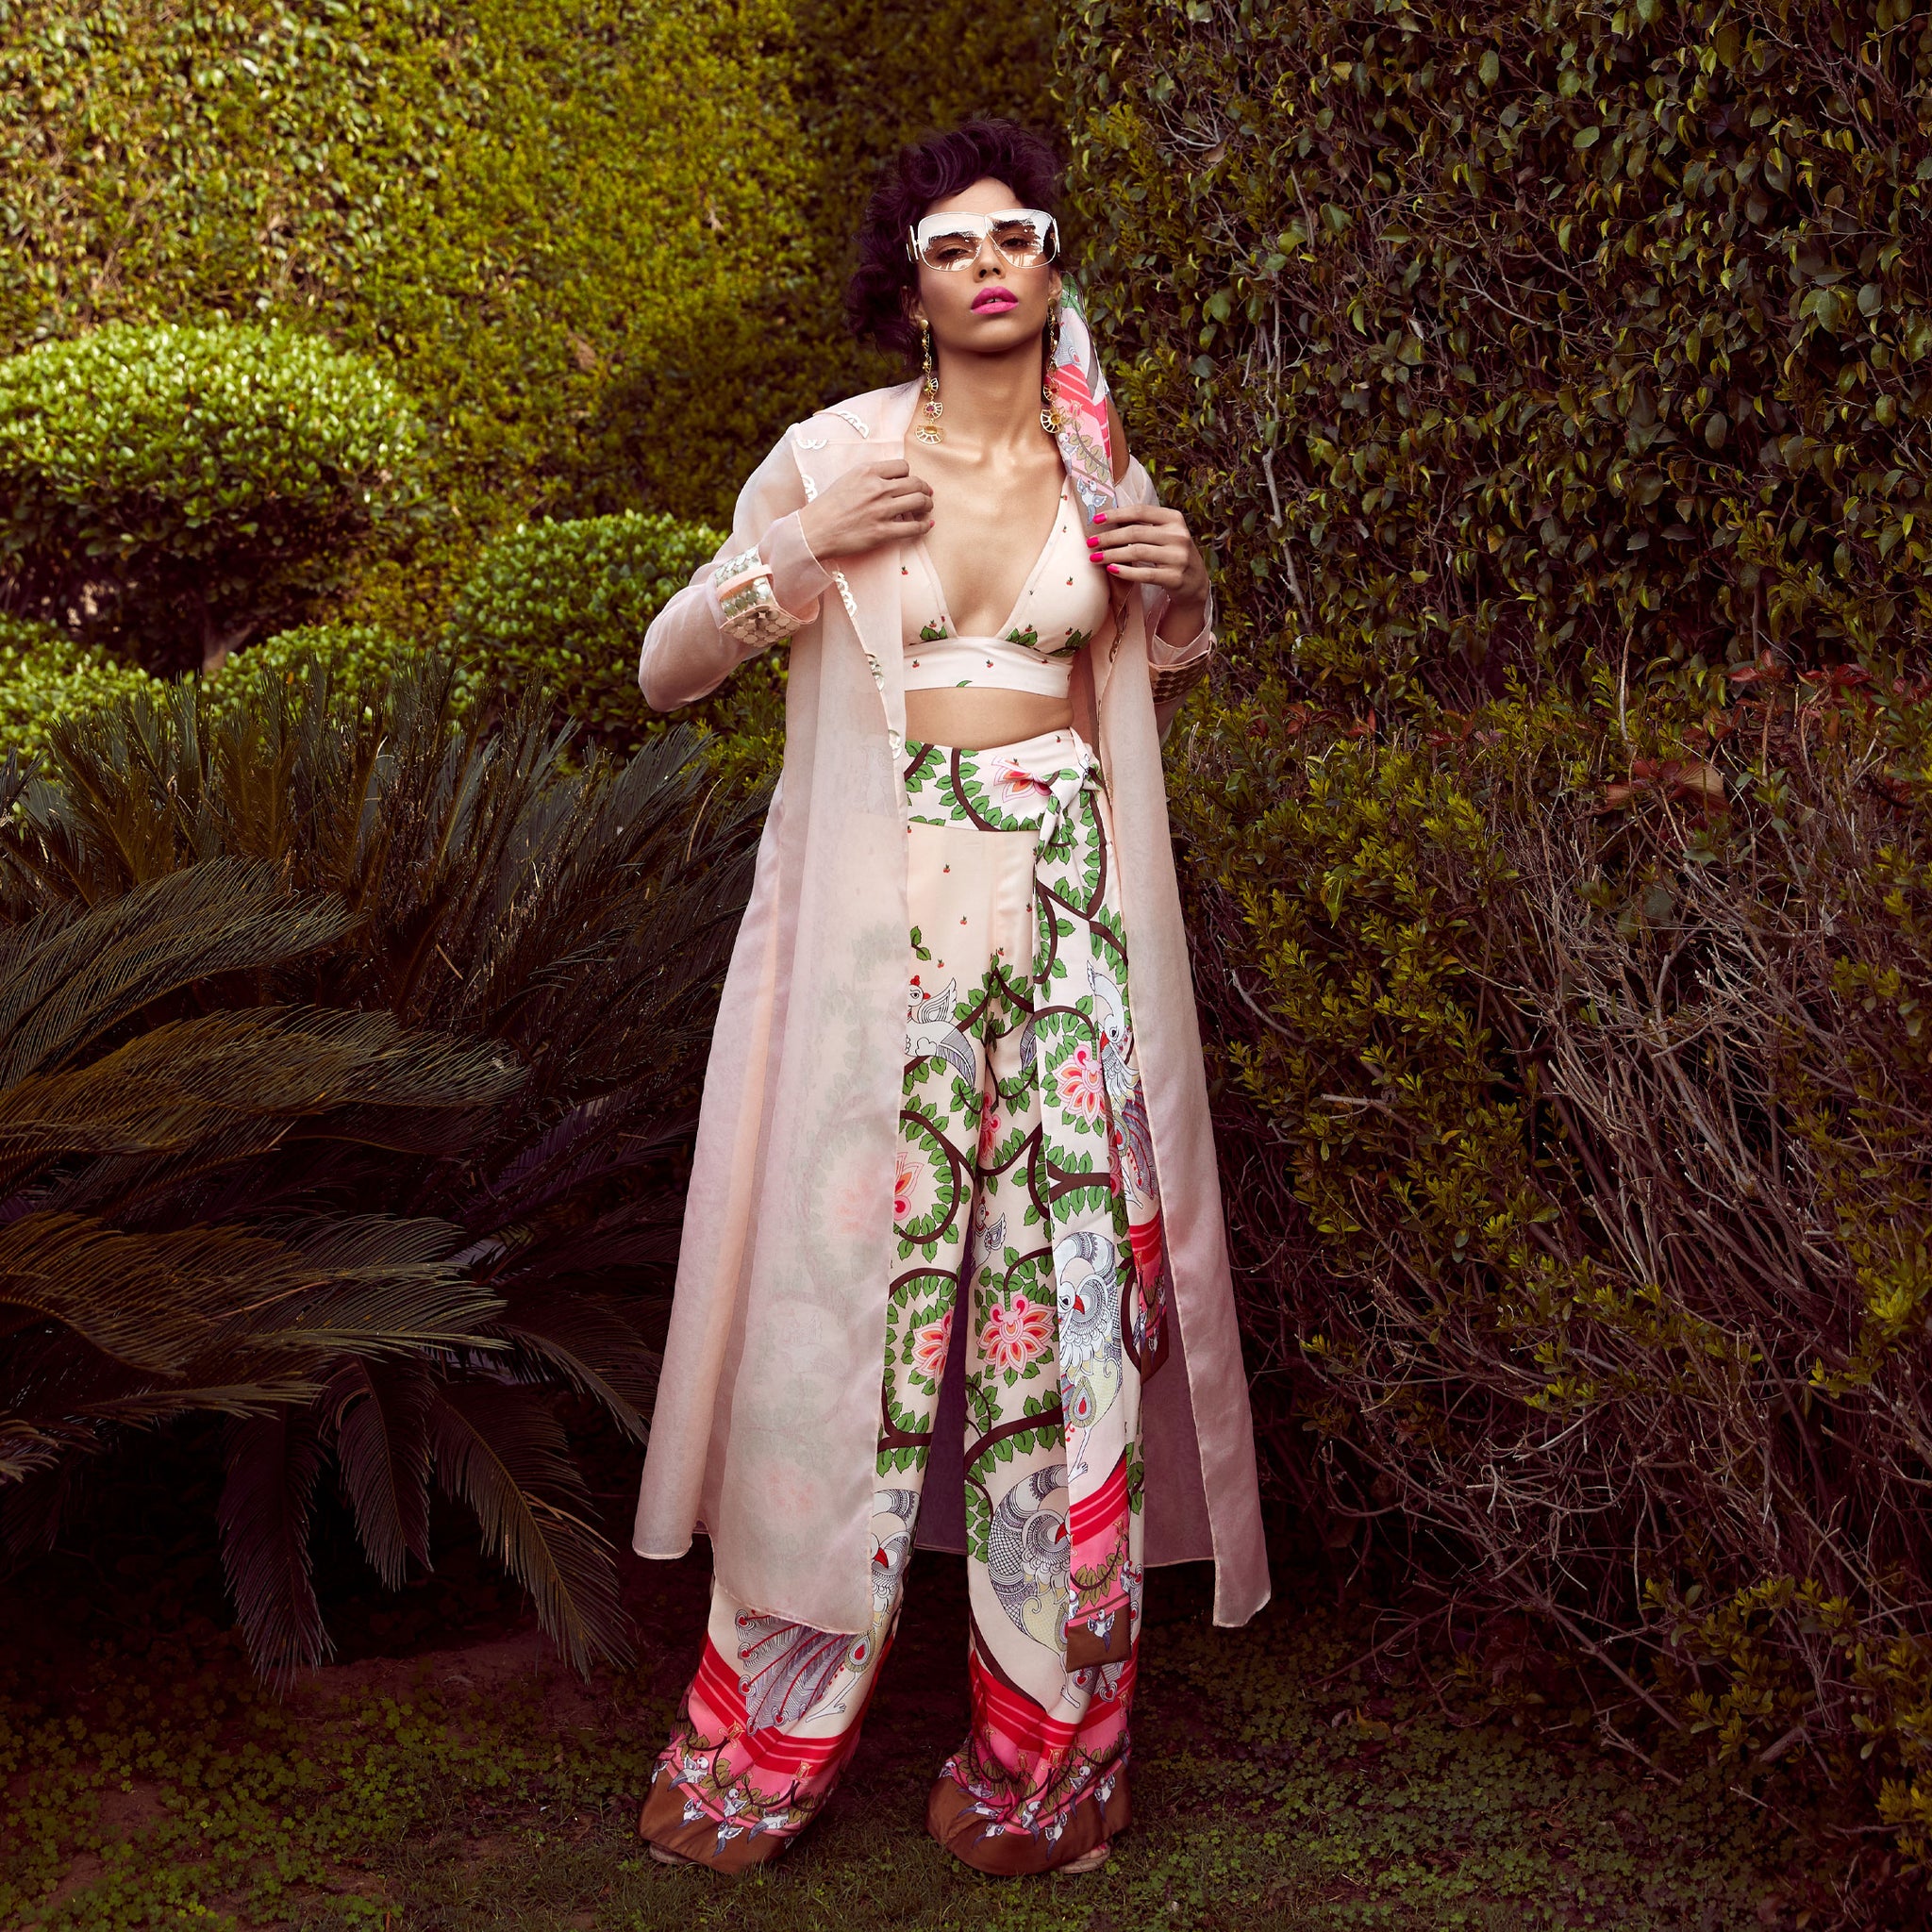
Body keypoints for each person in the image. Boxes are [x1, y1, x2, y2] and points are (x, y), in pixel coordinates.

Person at [629, 117, 1268, 1877]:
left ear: (1053, 269)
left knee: (1062, 1328)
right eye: (952, 246)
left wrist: (1188, 593)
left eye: (1019, 236)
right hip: (881, 939)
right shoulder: (833, 456)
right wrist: (799, 550)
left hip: (1067, 934)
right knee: (848, 1319)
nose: (992, 264)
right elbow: (669, 667)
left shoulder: (1099, 460)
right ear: (908, 292)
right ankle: (761, 1740)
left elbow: (1138, 675)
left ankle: (1051, 1760)